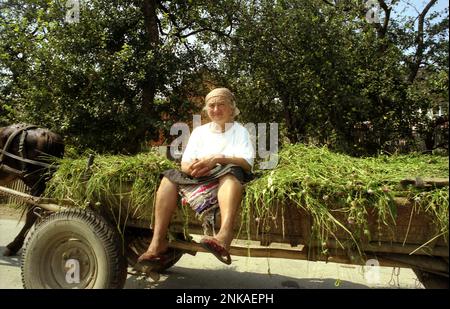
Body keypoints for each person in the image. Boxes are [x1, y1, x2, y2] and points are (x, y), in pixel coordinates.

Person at [138, 87, 254, 265]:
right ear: (206, 110)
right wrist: (193, 169)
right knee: (169, 177)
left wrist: (218, 158)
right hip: (201, 176)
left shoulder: (240, 131)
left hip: (226, 176)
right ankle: (157, 242)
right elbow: (185, 163)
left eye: (221, 105)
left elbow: (247, 163)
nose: (216, 110)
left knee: (231, 171)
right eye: (211, 106)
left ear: (232, 108)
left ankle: (224, 235)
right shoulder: (200, 132)